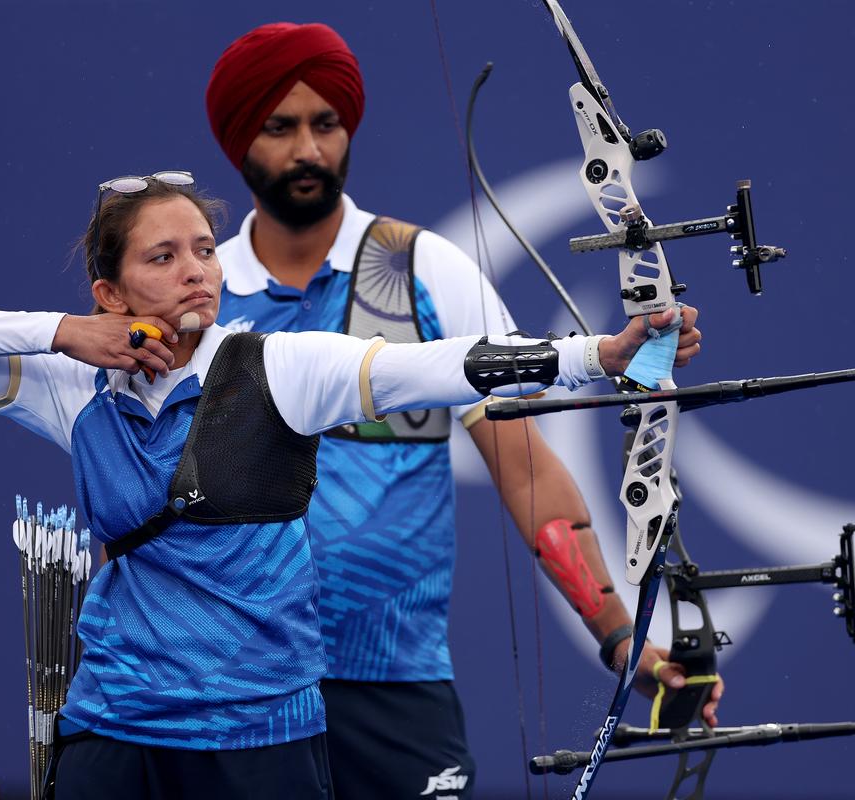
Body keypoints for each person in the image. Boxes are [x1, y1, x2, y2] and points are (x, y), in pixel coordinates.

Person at [0, 174, 698, 799]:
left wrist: (599, 353)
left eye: (205, 251)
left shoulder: (277, 367)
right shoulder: (74, 386)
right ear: (110, 293)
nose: (197, 270)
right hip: (113, 723)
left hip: (259, 733)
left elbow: (441, 365)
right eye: (163, 256)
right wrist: (61, 330)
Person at [205, 21, 720, 799]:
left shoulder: (420, 268)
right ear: (240, 139)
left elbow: (526, 471)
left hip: (397, 684)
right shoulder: (201, 293)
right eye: (280, 127)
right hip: (231, 684)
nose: (309, 149)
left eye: (327, 124)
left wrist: (619, 639)